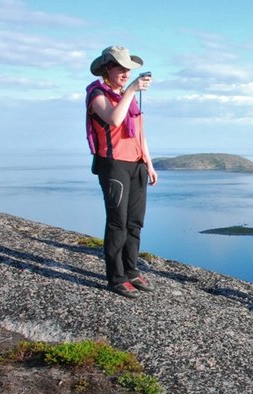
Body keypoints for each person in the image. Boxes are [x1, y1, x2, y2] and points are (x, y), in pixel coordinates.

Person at [86, 46, 158, 298]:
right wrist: (130, 91)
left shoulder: (126, 96)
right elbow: (115, 120)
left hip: (136, 164)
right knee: (118, 223)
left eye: (128, 69)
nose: (126, 73)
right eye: (120, 67)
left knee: (135, 222)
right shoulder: (97, 94)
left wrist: (148, 162)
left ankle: (131, 270)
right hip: (114, 163)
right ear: (107, 68)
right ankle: (115, 277)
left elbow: (139, 132)